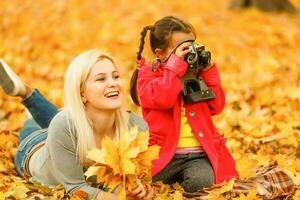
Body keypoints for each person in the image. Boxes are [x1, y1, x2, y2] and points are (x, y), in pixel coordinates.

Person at [0, 50, 154, 200]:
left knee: (64, 120)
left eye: (115, 76)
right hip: (34, 147)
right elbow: (74, 188)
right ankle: (27, 96)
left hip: (67, 127)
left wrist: (143, 189)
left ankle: (31, 99)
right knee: (51, 122)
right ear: (81, 93)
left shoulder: (137, 127)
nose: (113, 83)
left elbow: (142, 176)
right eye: (101, 79)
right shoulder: (63, 125)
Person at [130, 16, 239, 193]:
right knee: (143, 182)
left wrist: (209, 75)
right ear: (160, 53)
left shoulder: (196, 73)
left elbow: (217, 107)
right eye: (182, 49)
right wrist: (174, 69)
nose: (189, 53)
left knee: (202, 182)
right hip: (162, 155)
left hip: (198, 155)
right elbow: (162, 99)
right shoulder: (148, 74)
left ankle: (182, 184)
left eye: (192, 46)